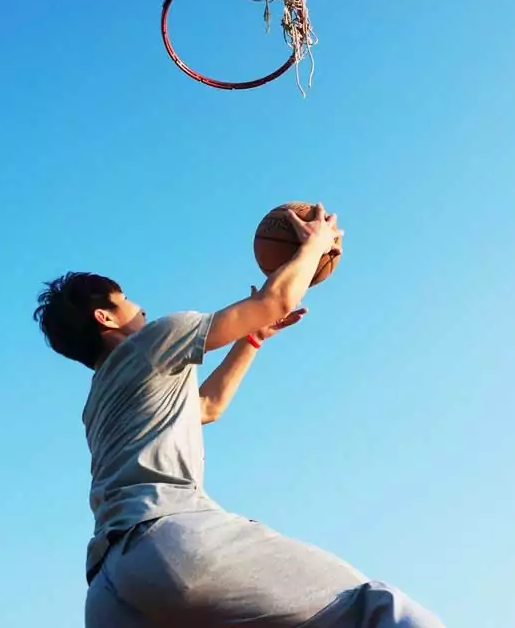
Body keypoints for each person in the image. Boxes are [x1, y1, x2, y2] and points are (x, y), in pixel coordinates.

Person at [33, 204, 444, 627]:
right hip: (169, 542)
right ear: (104, 317)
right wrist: (316, 243)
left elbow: (208, 407)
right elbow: (276, 298)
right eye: (128, 302)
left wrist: (252, 338)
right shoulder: (155, 340)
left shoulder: (101, 401)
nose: (141, 310)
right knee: (372, 608)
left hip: (109, 592)